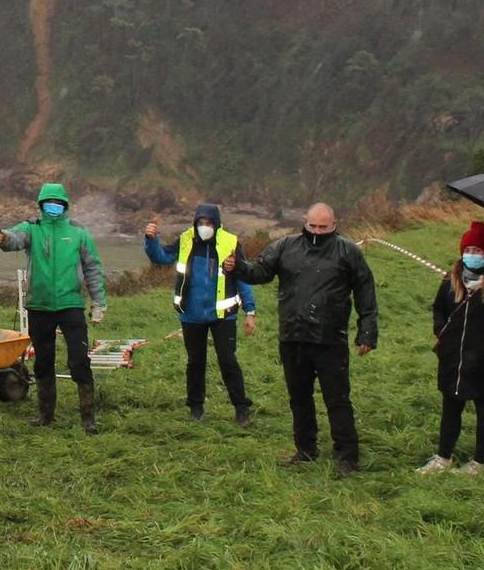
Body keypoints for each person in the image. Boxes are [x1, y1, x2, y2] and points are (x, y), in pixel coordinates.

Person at [225, 203, 378, 476]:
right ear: (305, 222)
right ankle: (306, 449)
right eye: (313, 226)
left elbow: (365, 289)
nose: (317, 231)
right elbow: (260, 272)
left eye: (323, 227)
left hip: (331, 339)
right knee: (299, 397)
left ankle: (347, 456)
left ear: (334, 225)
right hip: (293, 336)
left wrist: (367, 330)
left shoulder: (348, 252)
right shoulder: (285, 246)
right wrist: (238, 267)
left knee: (338, 399)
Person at [0, 182, 108, 432]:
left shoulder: (78, 232)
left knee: (79, 360)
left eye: (57, 203)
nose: (53, 207)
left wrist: (99, 302)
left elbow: (93, 268)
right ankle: (45, 414)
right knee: (43, 361)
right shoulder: (32, 228)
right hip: (39, 306)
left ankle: (88, 418)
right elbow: (15, 238)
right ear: (41, 205)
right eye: (48, 203)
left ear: (65, 205)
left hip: (71, 304)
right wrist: (3, 238)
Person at [142, 202, 258, 425]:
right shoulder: (185, 239)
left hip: (223, 315)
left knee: (228, 361)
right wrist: (151, 240)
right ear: (195, 223)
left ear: (217, 224)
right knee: (195, 362)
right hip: (191, 314)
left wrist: (250, 311)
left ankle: (241, 408)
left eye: (209, 223)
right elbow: (161, 258)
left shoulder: (231, 243)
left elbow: (243, 276)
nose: (204, 227)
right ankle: (196, 407)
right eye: (200, 222)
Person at [417, 221, 484, 475]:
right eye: (468, 250)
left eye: (477, 250)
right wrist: (441, 332)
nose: (472, 255)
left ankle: (479, 463)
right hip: (453, 358)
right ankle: (443, 457)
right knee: (450, 409)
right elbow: (438, 309)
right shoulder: (450, 280)